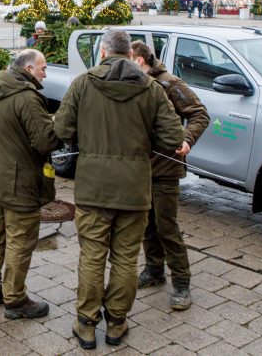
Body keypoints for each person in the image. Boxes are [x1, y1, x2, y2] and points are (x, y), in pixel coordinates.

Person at [53, 30, 184, 349]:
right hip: (135, 188)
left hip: (93, 188)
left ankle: (85, 324)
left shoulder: (84, 83)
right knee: (126, 259)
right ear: (129, 55)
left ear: (102, 53)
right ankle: (116, 323)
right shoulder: (151, 88)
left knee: (92, 256)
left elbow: (62, 129)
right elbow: (172, 137)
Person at [0, 49, 61, 320]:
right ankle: (15, 299)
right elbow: (45, 141)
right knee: (21, 239)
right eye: (43, 68)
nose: (45, 73)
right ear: (28, 69)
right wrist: (57, 124)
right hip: (20, 181)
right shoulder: (26, 97)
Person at [131, 41, 209, 311]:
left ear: (139, 60)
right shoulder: (135, 82)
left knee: (166, 226)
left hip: (165, 169)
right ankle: (154, 269)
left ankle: (182, 283)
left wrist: (187, 139)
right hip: (141, 169)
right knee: (147, 224)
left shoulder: (169, 83)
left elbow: (199, 114)